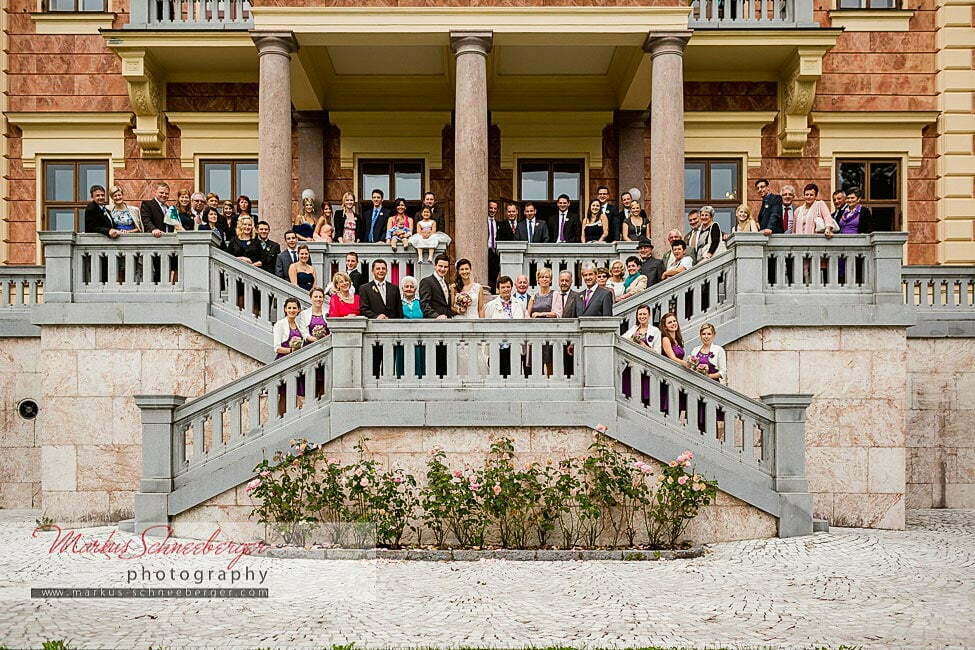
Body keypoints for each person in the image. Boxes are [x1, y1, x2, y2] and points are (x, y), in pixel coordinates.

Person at [273, 297, 310, 413]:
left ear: (298, 310)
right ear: (285, 309)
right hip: (284, 362)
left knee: (295, 393)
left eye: (294, 308)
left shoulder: (299, 324)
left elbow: (305, 338)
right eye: (289, 308)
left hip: (297, 362)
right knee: (284, 393)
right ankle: (281, 420)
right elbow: (277, 348)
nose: (292, 310)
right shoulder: (280, 325)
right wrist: (291, 350)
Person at [620, 304, 661, 406]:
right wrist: (632, 340)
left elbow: (657, 353)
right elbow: (622, 340)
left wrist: (643, 345)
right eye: (640, 314)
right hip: (631, 366)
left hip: (646, 367)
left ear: (649, 315)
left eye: (644, 314)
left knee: (645, 395)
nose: (642, 316)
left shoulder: (655, 331)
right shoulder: (634, 329)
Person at [395, 276, 427, 377]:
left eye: (411, 286)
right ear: (402, 288)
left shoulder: (421, 302)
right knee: (402, 359)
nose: (409, 289)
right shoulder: (397, 302)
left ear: (415, 289)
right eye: (406, 286)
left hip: (419, 337)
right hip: (402, 336)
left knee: (419, 360)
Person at [659, 311, 687, 418]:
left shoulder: (677, 340)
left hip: (678, 375)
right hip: (669, 375)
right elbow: (672, 357)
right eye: (670, 322)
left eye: (674, 321)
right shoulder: (666, 339)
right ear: (665, 326)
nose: (673, 323)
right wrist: (685, 363)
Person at [419, 254, 453, 320]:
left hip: (447, 321)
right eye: (440, 266)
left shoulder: (446, 283)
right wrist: (436, 316)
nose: (443, 269)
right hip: (433, 322)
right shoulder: (426, 282)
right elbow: (424, 304)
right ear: (435, 266)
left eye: (445, 267)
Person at [487, 199, 501, 290]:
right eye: (490, 208)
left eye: (494, 208)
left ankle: (491, 291)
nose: (492, 210)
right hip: (485, 251)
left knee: (494, 274)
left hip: (495, 252)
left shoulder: (498, 223)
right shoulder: (483, 222)